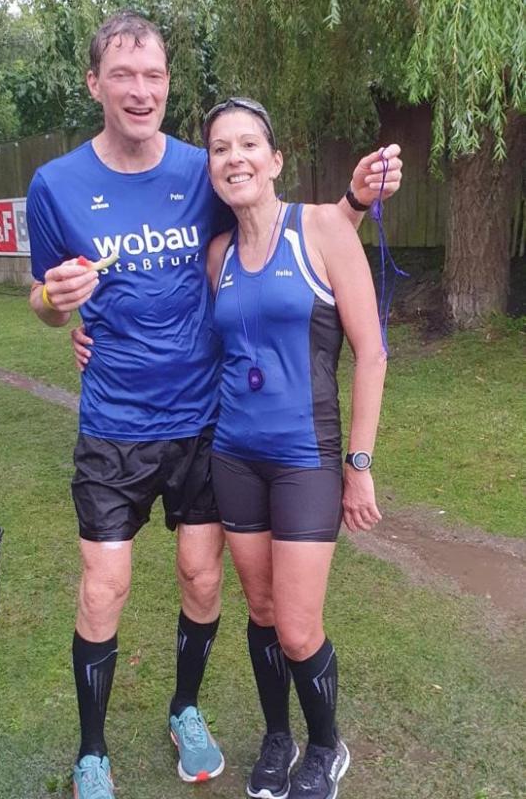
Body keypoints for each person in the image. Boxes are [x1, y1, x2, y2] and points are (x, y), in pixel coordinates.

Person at [29, 11, 401, 799]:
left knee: (206, 582)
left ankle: (188, 711)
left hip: (206, 426)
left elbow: (287, 227)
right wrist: (57, 310)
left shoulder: (200, 171)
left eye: (153, 75)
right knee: (105, 586)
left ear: (168, 83)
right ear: (94, 83)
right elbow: (46, 297)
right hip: (117, 426)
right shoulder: (55, 186)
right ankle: (93, 751)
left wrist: (354, 198)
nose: (140, 90)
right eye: (122, 75)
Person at [199, 98, 387, 799]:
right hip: (234, 457)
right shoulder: (217, 255)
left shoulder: (323, 228)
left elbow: (371, 354)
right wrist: (89, 336)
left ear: (275, 161)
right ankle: (277, 738)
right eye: (221, 148)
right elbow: (203, 348)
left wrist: (358, 466)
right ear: (212, 169)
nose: (235, 158)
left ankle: (326, 745)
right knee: (262, 611)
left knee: (300, 627)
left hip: (305, 460)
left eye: (249, 144)